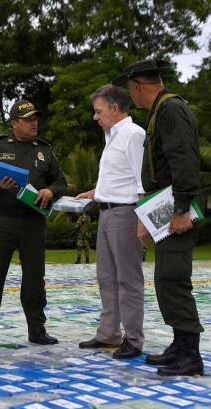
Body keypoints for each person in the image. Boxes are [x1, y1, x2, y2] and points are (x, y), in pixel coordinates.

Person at [114, 58, 204, 376]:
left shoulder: (170, 110)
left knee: (174, 279)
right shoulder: (161, 111)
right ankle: (181, 345)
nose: (131, 95)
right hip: (167, 206)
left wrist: (180, 210)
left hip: (177, 207)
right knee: (167, 277)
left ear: (137, 86)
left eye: (130, 89)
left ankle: (190, 353)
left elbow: (183, 162)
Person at [0, 99, 67, 351]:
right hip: (0, 221)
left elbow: (60, 181)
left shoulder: (45, 150)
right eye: (28, 120)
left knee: (35, 280)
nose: (34, 123)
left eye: (35, 119)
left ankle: (37, 331)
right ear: (14, 123)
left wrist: (50, 191)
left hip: (33, 222)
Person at [76, 85, 145, 359]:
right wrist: (96, 192)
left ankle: (134, 339)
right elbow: (121, 177)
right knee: (106, 278)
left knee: (128, 280)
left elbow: (141, 182)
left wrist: (141, 219)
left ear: (115, 109)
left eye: (99, 111)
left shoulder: (132, 135)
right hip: (106, 213)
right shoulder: (112, 136)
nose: (96, 117)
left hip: (126, 215)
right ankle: (108, 333)